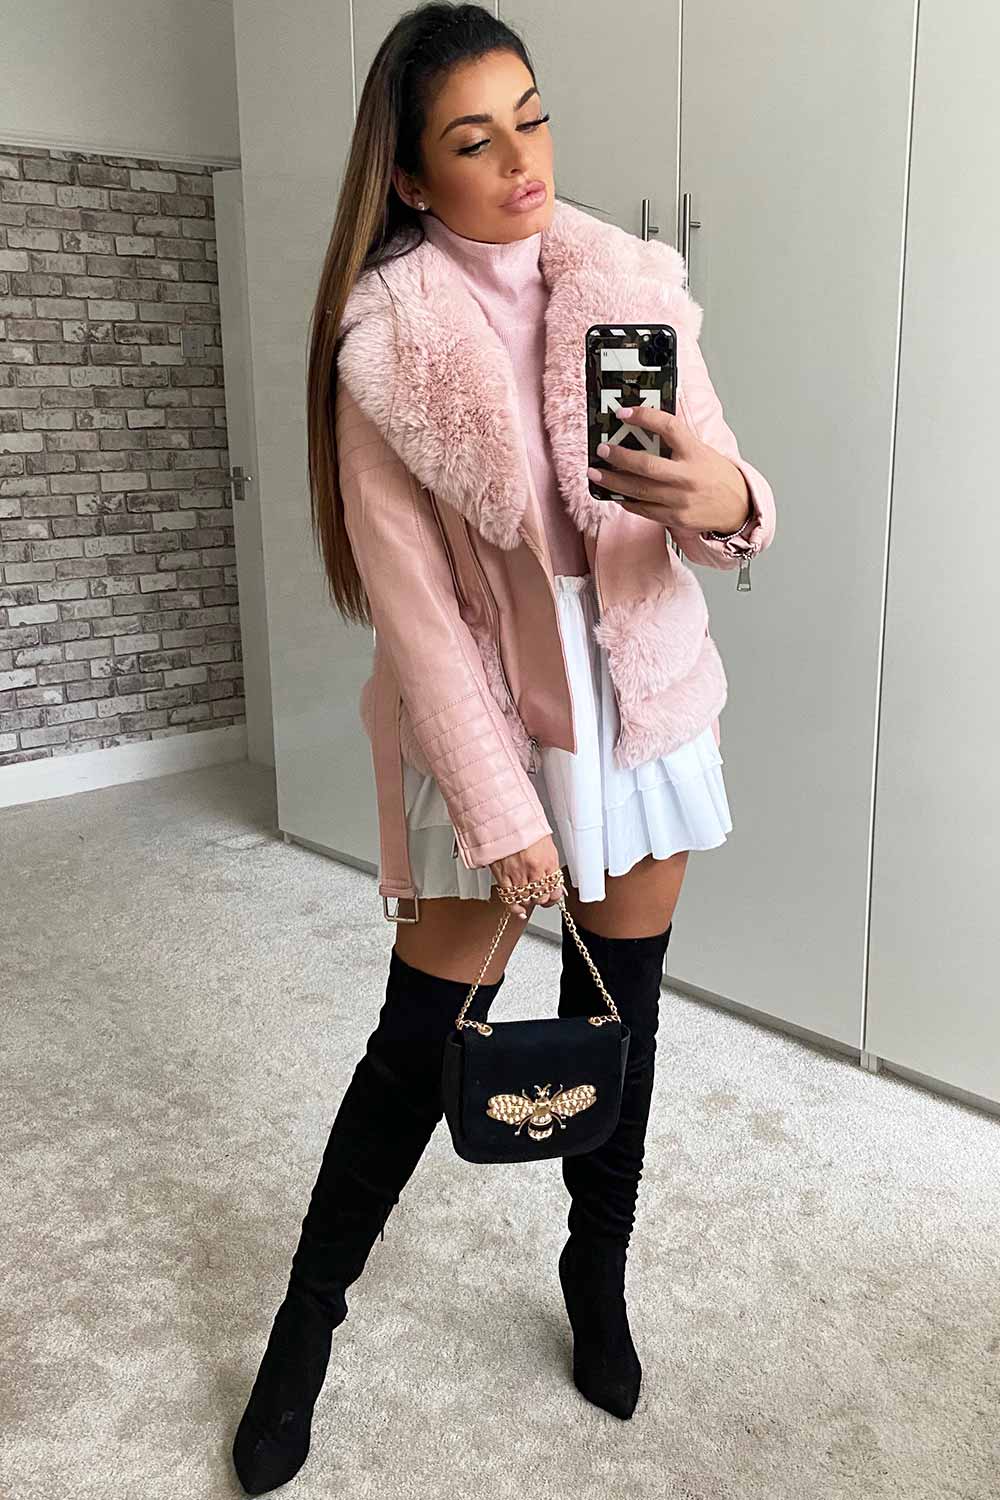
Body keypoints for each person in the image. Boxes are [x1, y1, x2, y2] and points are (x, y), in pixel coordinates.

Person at [232, 4, 776, 1492]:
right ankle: (305, 1323)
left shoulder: (630, 283)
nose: (523, 160)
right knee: (419, 1043)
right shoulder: (386, 342)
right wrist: (504, 814)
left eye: (531, 118)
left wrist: (721, 496)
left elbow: (728, 497)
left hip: (644, 706)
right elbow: (416, 620)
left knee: (623, 1026)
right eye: (475, 141)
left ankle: (596, 1278)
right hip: (482, 724)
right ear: (411, 176)